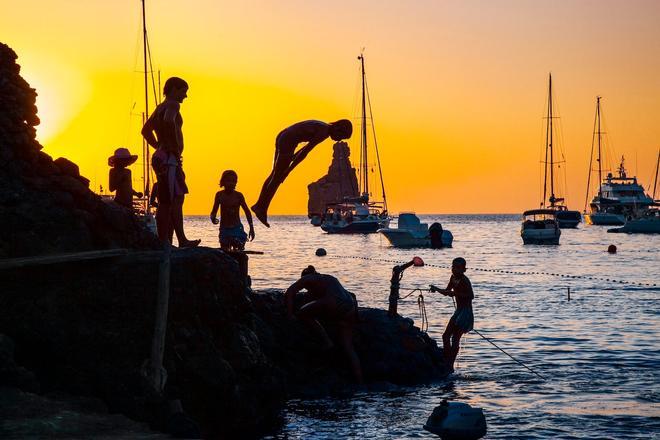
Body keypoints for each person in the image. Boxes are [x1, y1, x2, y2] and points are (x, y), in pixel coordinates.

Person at [251, 119, 353, 227]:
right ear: (338, 128)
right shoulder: (324, 132)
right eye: (341, 137)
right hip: (288, 140)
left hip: (283, 135)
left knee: (274, 175)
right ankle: (261, 208)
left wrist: (293, 158)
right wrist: (289, 170)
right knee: (277, 178)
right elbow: (306, 151)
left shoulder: (323, 127)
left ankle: (259, 205)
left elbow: (303, 148)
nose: (338, 140)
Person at [141, 76, 200, 247]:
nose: (185, 96)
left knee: (169, 199)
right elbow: (168, 121)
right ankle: (176, 240)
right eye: (184, 91)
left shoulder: (159, 107)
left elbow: (145, 131)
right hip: (169, 159)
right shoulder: (173, 105)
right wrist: (171, 147)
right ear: (174, 89)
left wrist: (159, 147)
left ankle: (167, 239)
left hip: (163, 156)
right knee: (173, 200)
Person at [284, 266, 363, 384]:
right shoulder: (330, 279)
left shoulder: (308, 278)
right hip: (350, 309)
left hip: (333, 303)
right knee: (348, 347)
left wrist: (290, 315)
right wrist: (356, 318)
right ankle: (360, 381)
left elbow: (289, 292)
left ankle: (327, 341)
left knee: (302, 313)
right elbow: (352, 296)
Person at [430, 257, 474, 372]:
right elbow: (447, 292)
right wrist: (436, 289)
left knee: (455, 338)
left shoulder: (465, 280)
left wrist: (455, 293)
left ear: (464, 269)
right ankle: (447, 357)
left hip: (466, 312)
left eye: (458, 268)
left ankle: (450, 364)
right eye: (453, 267)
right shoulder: (453, 278)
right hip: (458, 311)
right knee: (445, 336)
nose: (455, 270)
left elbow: (470, 295)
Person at [210, 170, 255, 251]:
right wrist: (213, 218)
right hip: (224, 228)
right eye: (228, 181)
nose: (231, 183)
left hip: (237, 228)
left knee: (238, 248)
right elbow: (213, 211)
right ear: (223, 182)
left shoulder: (239, 196)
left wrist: (251, 228)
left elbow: (247, 212)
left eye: (234, 181)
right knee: (225, 251)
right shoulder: (219, 195)